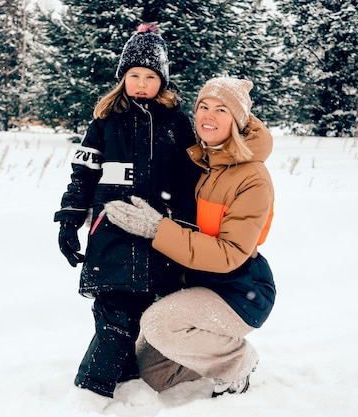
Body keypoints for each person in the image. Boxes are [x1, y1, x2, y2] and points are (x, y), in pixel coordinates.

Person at [104, 77, 276, 397]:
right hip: (198, 283)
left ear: (237, 120)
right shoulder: (204, 161)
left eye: (221, 109)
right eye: (203, 107)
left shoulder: (251, 177)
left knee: (159, 324)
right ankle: (211, 354)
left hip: (239, 290)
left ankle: (236, 363)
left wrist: (157, 229)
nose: (208, 116)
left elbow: (228, 254)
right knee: (155, 371)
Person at [53, 23, 199, 400]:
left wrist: (188, 228)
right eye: (133, 75)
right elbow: (82, 174)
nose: (141, 83)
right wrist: (69, 220)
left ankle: (129, 381)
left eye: (150, 77)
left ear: (161, 83)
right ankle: (90, 393)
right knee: (114, 316)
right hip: (112, 232)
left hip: (160, 235)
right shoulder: (104, 122)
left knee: (143, 315)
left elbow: (192, 182)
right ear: (122, 78)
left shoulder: (178, 124)